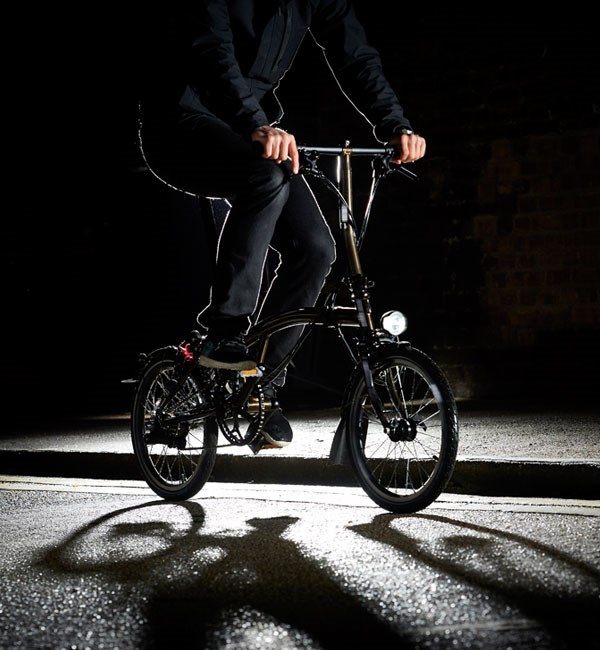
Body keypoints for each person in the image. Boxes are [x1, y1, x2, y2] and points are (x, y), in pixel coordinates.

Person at [137, 1, 426, 449]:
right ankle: (224, 331)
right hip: (182, 123)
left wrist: (395, 124)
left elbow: (356, 56)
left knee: (316, 249)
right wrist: (256, 123)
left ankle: (259, 391)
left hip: (249, 128)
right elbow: (213, 52)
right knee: (265, 177)